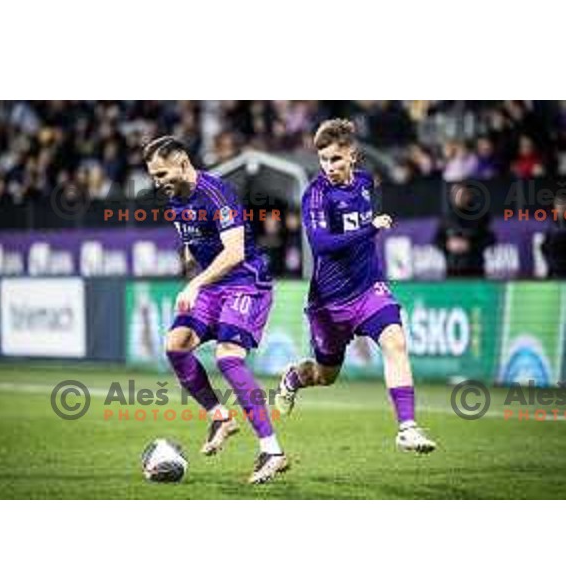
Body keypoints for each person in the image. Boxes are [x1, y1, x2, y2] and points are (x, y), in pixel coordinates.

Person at [274, 119, 436, 453]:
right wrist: (370, 230)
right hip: (329, 301)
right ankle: (293, 377)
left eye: (335, 159)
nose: (329, 167)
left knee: (395, 342)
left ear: (352, 156)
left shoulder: (365, 181)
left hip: (368, 288)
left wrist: (369, 233)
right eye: (323, 160)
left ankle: (407, 427)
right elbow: (321, 245)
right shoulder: (315, 195)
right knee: (325, 376)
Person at [143, 135, 287, 484]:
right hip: (211, 286)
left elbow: (235, 251)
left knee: (228, 358)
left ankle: (272, 451)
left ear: (182, 163)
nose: (156, 181)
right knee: (175, 345)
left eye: (161, 173)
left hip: (246, 281)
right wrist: (191, 267)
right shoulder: (175, 199)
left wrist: (195, 284)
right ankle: (221, 416)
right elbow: (193, 245)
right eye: (152, 175)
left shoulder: (217, 193)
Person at [435, 183, 496, 277]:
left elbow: (490, 239)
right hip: (452, 269)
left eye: (461, 194)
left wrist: (469, 245)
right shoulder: (446, 217)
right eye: (455, 194)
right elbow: (437, 240)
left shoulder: (480, 216)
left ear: (468, 195)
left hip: (475, 269)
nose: (458, 197)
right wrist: (448, 245)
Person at [541, 192, 566, 277]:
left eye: (563, 205)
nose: (561, 208)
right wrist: (550, 263)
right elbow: (544, 247)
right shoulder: (551, 224)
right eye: (558, 205)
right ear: (555, 206)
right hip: (554, 267)